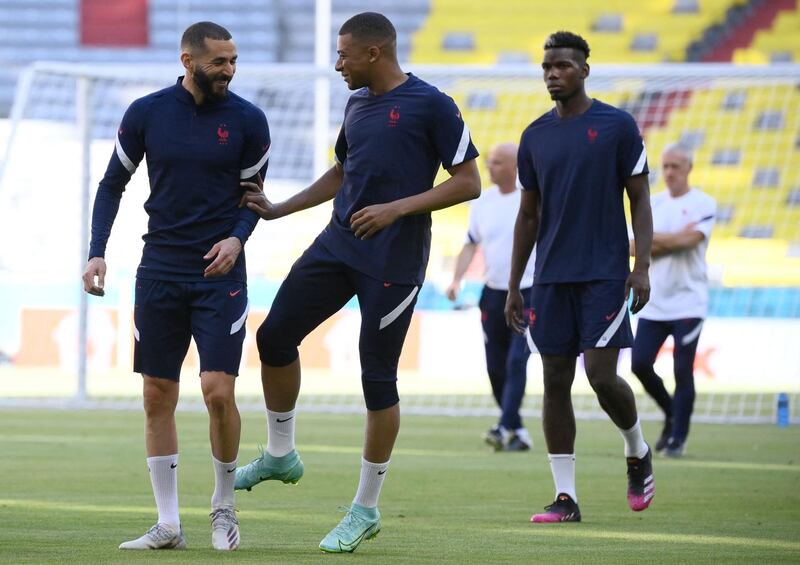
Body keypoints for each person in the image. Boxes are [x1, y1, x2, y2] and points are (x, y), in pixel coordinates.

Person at [235, 12, 480, 554]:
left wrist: (397, 208)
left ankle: (365, 509)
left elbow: (469, 182)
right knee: (273, 338)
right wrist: (279, 210)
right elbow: (343, 172)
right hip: (337, 245)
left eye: (344, 53)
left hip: (394, 263)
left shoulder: (432, 105)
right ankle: (281, 453)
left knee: (377, 380)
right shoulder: (358, 102)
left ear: (374, 53)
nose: (337, 63)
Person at [82, 21, 271, 551]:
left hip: (220, 276)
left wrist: (236, 240)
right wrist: (97, 251)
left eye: (234, 61)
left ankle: (223, 508)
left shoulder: (249, 121)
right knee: (156, 394)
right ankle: (168, 524)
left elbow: (253, 198)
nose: (229, 71)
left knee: (218, 392)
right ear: (188, 61)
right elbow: (111, 185)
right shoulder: (147, 113)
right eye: (219, 63)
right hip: (159, 271)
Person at [505, 31, 655, 523]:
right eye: (547, 66)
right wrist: (513, 285)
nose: (553, 73)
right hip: (549, 279)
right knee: (553, 380)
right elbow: (527, 216)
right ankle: (565, 498)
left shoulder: (617, 126)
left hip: (603, 275)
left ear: (584, 70)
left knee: (600, 375)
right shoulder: (534, 135)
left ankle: (637, 450)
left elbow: (640, 201)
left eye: (563, 66)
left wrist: (641, 267)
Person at [445, 143, 535, 451]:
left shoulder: (532, 198)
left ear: (514, 167)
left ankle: (503, 426)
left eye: (497, 162)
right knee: (495, 367)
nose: (489, 167)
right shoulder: (481, 202)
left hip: (528, 291)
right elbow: (471, 243)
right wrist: (457, 278)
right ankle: (517, 431)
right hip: (493, 292)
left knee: (516, 361)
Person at [631, 143, 716, 458]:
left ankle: (678, 437)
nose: (668, 172)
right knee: (639, 364)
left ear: (688, 168)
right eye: (664, 166)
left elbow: (688, 241)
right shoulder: (651, 203)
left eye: (675, 166)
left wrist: (651, 241)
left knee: (683, 369)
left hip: (688, 302)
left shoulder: (703, 203)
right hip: (654, 301)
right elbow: (632, 245)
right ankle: (671, 412)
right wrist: (666, 240)